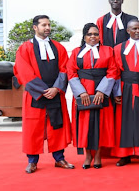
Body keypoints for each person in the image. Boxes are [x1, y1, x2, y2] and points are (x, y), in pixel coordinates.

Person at [13, 15, 74, 174]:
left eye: (49, 25)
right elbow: (24, 71)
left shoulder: (58, 47)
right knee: (34, 128)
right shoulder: (25, 48)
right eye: (43, 25)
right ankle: (32, 162)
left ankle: (59, 158)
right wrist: (42, 90)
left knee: (57, 126)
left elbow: (65, 69)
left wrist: (56, 88)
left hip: (55, 93)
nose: (47, 28)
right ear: (35, 27)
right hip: (35, 95)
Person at [67, 23, 118, 169]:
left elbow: (113, 70)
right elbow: (71, 72)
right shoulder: (76, 52)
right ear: (84, 37)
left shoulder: (108, 50)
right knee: (85, 125)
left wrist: (102, 91)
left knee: (101, 124)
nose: (93, 37)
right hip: (83, 92)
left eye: (96, 34)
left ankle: (98, 156)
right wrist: (81, 92)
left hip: (101, 92)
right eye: (89, 34)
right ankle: (87, 156)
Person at [111, 19, 139, 166]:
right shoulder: (118, 49)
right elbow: (115, 72)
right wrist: (116, 92)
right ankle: (124, 154)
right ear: (128, 31)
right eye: (134, 29)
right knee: (124, 120)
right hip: (125, 87)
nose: (138, 31)